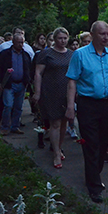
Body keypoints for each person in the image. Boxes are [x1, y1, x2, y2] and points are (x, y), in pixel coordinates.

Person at [65, 21, 108, 203]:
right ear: (92, 35)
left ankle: (93, 174)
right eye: (102, 34)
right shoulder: (80, 55)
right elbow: (72, 82)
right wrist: (70, 106)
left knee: (103, 144)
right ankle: (94, 186)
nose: (106, 37)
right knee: (91, 145)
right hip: (88, 105)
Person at [33, 27, 74, 169]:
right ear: (55, 39)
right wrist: (37, 92)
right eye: (60, 38)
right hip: (50, 91)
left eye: (65, 38)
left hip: (67, 92)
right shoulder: (46, 54)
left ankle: (58, 146)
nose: (63, 41)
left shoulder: (71, 54)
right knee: (55, 123)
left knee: (64, 123)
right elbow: (38, 73)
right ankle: (56, 153)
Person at [0, 34, 32, 135]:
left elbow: (29, 69)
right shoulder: (5, 54)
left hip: (21, 84)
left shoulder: (25, 55)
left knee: (18, 107)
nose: (21, 45)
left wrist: (27, 81)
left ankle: (15, 126)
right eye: (19, 42)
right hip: (9, 84)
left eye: (22, 42)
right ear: (13, 42)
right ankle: (5, 126)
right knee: (8, 105)